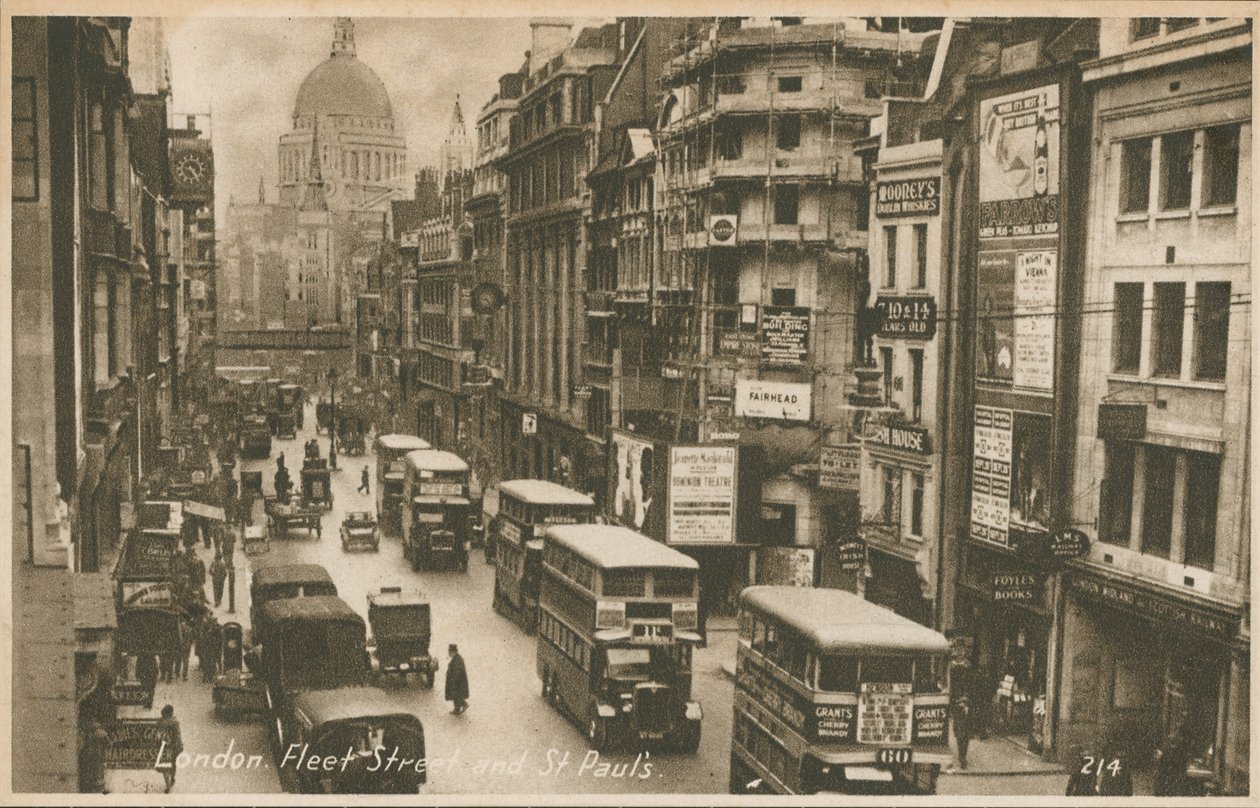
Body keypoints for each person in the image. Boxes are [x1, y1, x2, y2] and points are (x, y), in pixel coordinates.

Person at [156, 705, 183, 793]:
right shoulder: (175, 722)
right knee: (172, 765)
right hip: (173, 748)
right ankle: (171, 780)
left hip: (168, 748)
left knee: (166, 766)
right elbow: (178, 738)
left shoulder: (162, 722)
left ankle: (168, 784)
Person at [444, 643, 469, 715]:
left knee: (457, 695)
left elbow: (458, 671)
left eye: (449, 651)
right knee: (456, 695)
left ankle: (460, 707)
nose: (448, 653)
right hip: (457, 682)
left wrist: (454, 680)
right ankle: (458, 708)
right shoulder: (456, 658)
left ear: (452, 652)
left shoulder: (457, 659)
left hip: (457, 682)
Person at [951, 694, 974, 771]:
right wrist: (955, 731)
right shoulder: (958, 710)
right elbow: (955, 722)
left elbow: (972, 722)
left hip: (967, 732)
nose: (962, 704)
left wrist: (971, 733)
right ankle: (962, 759)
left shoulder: (970, 710)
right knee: (960, 746)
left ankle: (963, 758)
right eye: (961, 702)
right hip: (960, 731)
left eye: (964, 702)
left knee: (965, 746)